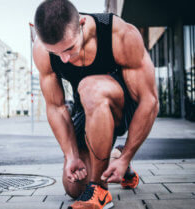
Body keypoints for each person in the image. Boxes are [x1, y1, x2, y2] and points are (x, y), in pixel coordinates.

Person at [33, 0, 159, 208]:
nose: (64, 59)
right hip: (88, 109)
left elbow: (150, 100)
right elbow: (56, 107)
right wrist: (71, 155)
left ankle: (100, 192)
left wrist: (128, 155)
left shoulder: (119, 34)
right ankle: (114, 157)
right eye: (57, 53)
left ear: (82, 24)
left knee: (90, 87)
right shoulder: (42, 50)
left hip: (123, 107)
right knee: (74, 188)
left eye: (69, 48)